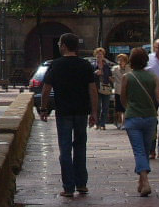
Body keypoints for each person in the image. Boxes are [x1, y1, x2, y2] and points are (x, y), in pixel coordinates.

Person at [39, 33, 98, 198]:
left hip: (63, 112)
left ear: (64, 45)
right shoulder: (85, 65)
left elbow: (46, 89)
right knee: (80, 147)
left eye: (59, 44)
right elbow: (92, 90)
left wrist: (43, 108)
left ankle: (68, 187)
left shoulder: (56, 65)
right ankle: (82, 184)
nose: (59, 46)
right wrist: (94, 112)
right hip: (81, 111)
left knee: (65, 149)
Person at [121, 46, 159, 197]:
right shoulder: (153, 77)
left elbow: (123, 98)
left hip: (133, 118)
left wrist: (128, 108)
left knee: (139, 151)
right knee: (146, 150)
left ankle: (145, 182)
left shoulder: (127, 77)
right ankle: (141, 181)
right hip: (150, 118)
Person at [91, 47, 114, 129]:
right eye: (98, 54)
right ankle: (96, 123)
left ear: (103, 56)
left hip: (105, 87)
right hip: (96, 88)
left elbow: (110, 76)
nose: (99, 56)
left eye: (101, 54)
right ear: (95, 55)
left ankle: (102, 124)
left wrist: (104, 74)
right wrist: (95, 73)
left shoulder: (107, 66)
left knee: (105, 106)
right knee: (97, 106)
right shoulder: (92, 65)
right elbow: (89, 76)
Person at [111, 52, 129, 130]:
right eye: (119, 60)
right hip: (118, 89)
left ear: (125, 61)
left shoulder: (129, 69)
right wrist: (114, 83)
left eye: (122, 60)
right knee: (118, 108)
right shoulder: (115, 68)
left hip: (126, 90)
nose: (120, 62)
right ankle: (119, 121)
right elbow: (111, 77)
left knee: (125, 107)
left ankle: (124, 123)